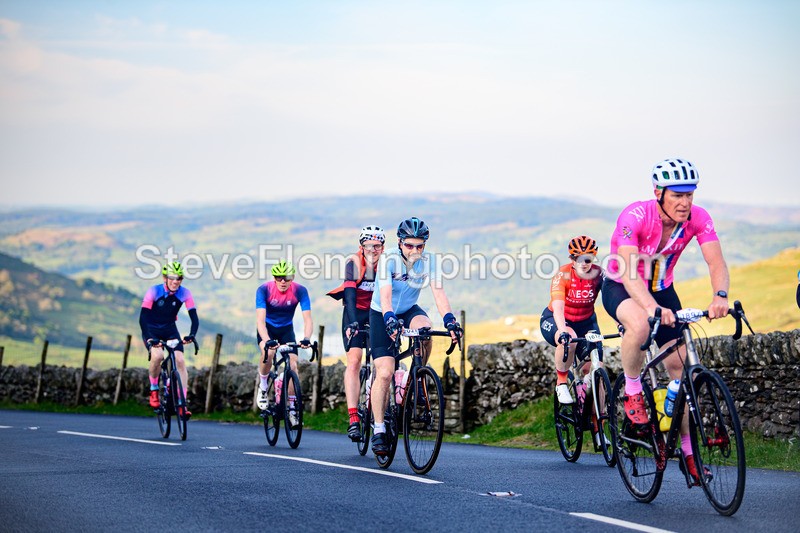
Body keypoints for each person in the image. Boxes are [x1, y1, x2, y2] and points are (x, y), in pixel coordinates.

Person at [602, 158, 729, 484]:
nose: (685, 202)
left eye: (690, 194)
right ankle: (633, 390)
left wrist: (720, 296)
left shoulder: (698, 218)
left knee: (681, 370)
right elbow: (629, 273)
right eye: (677, 195)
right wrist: (650, 308)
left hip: (662, 288)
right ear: (659, 193)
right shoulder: (635, 216)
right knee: (641, 324)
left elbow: (716, 262)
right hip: (621, 284)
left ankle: (688, 454)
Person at [369, 217, 461, 456]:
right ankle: (379, 428)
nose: (415, 251)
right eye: (409, 245)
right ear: (400, 243)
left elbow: (438, 292)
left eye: (420, 246)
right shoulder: (388, 259)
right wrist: (389, 318)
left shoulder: (430, 261)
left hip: (409, 309)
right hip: (382, 313)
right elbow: (385, 296)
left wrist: (450, 320)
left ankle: (416, 376)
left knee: (426, 330)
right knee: (385, 372)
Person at [327, 225, 385, 442]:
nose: (373, 250)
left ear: (383, 247)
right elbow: (349, 295)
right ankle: (353, 418)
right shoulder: (353, 262)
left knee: (382, 362)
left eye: (377, 246)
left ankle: (380, 409)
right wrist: (352, 322)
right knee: (354, 360)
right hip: (356, 313)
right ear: (361, 246)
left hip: (377, 313)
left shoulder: (387, 263)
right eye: (368, 246)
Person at [539, 236, 603, 414]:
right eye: (577, 258)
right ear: (572, 259)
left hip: (586, 321)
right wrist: (562, 331)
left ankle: (598, 422)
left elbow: (612, 301)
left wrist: (621, 324)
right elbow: (558, 308)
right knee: (570, 338)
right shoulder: (563, 275)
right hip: (557, 319)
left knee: (596, 370)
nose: (583, 263)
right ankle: (561, 382)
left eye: (587, 259)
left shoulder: (599, 275)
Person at [255, 260, 313, 429]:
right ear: (274, 278)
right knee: (269, 353)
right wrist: (267, 340)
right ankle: (263, 387)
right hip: (267, 329)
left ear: (292, 278)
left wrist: (307, 338)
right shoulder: (264, 290)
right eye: (278, 277)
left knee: (293, 365)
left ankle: (292, 409)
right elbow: (260, 321)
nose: (282, 281)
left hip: (287, 330)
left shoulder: (300, 290)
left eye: (286, 278)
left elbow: (308, 319)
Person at [139, 261, 199, 417]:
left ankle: (182, 404)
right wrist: (150, 338)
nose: (175, 281)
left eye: (179, 278)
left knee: (180, 361)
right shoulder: (154, 291)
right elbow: (143, 318)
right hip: (151, 330)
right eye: (172, 278)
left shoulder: (185, 293)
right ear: (165, 278)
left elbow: (194, 317)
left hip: (170, 329)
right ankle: (154, 390)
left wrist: (192, 334)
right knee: (158, 356)